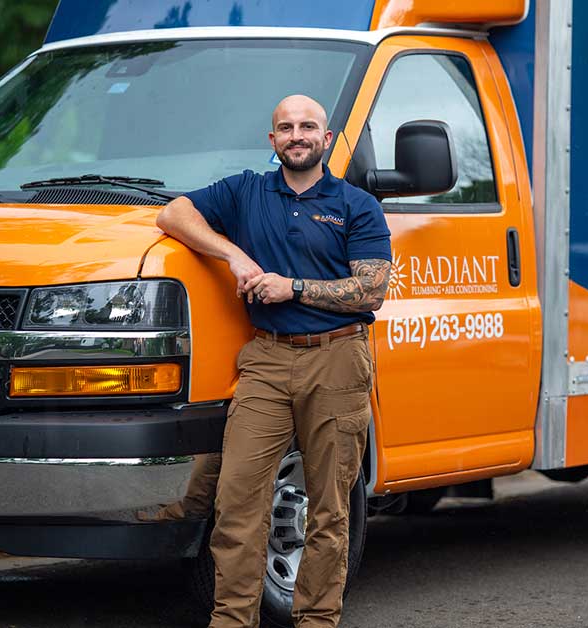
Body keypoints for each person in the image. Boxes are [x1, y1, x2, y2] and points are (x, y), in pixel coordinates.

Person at [156, 94, 391, 628]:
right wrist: (232, 253)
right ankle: (233, 620)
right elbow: (173, 213)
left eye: (308, 126)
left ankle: (316, 620)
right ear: (273, 141)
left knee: (329, 511)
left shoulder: (357, 205)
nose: (296, 135)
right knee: (237, 502)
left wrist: (295, 287)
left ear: (326, 140)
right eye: (285, 127)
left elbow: (371, 291)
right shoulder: (245, 191)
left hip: (337, 358)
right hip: (265, 358)